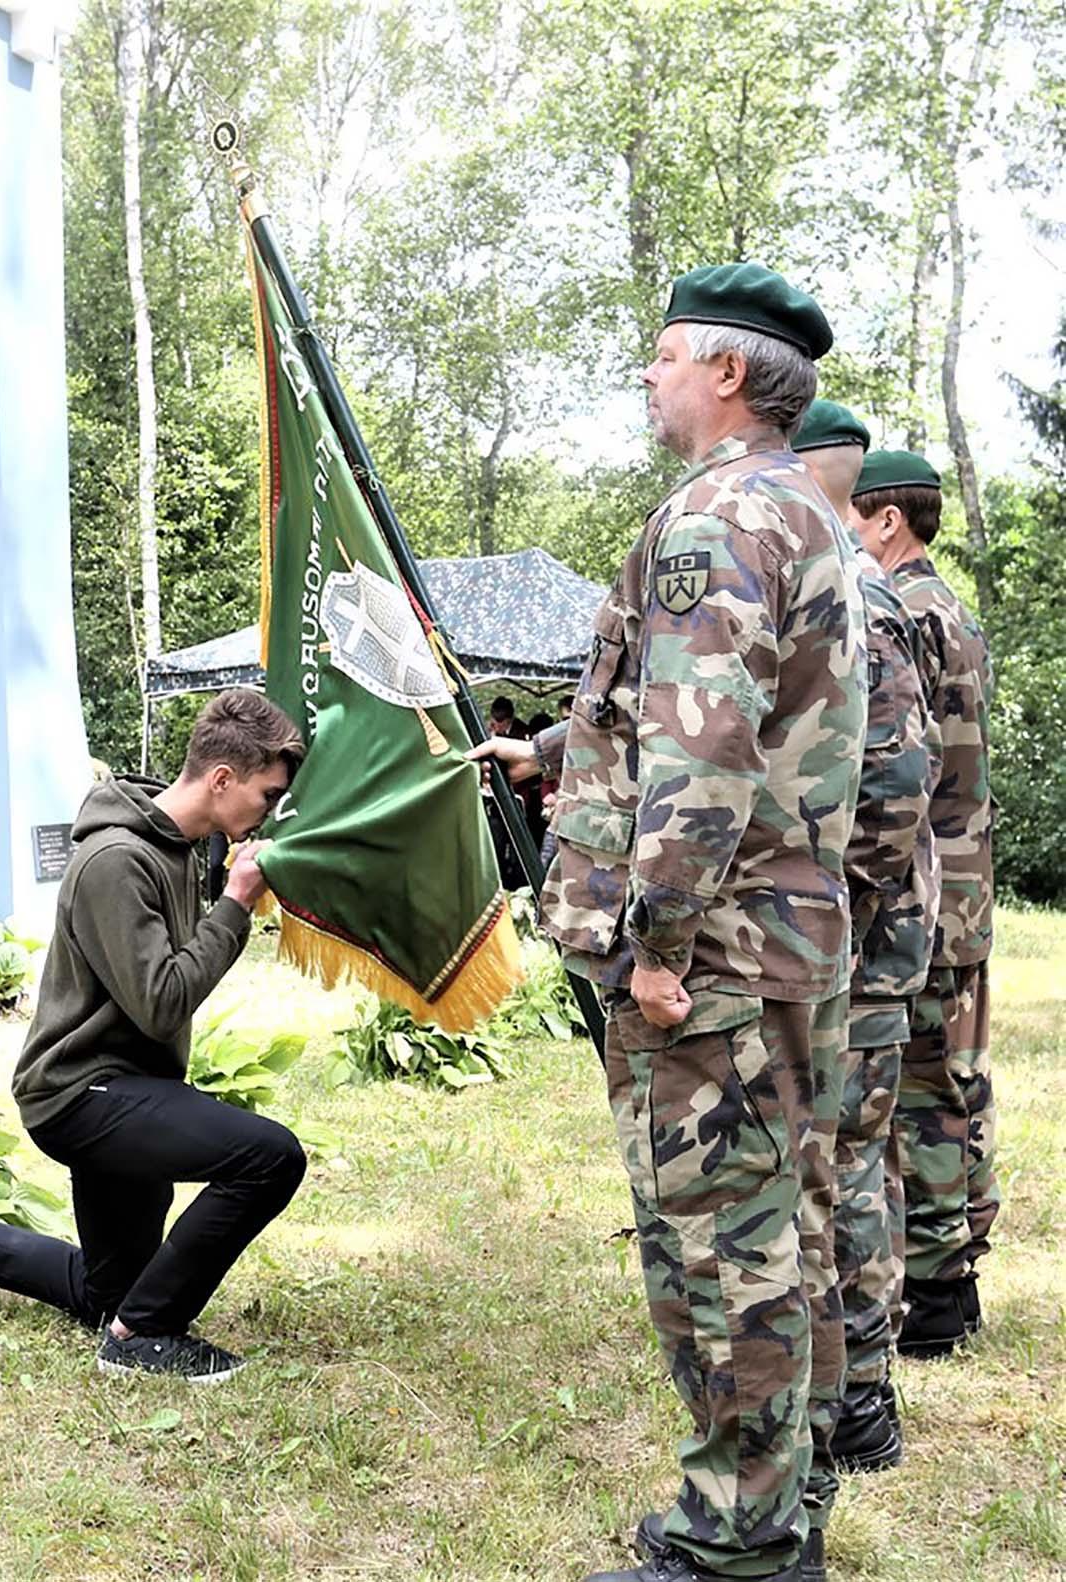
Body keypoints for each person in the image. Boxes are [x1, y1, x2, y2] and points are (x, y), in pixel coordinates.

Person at [473, 264, 865, 1582]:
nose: (646, 378)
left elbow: (703, 758)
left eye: (661, 358)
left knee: (718, 1245)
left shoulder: (719, 516)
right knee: (776, 1227)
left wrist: (655, 942)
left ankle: (737, 1538)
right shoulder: (796, 512)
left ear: (727, 374)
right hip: (777, 945)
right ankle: (785, 1504)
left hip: (713, 962)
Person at [0, 688, 309, 1385]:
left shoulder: (175, 847)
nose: (269, 811)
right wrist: (235, 904)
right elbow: (162, 1002)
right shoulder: (117, 859)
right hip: (81, 1095)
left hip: (128, 1085)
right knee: (271, 1159)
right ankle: (143, 1336)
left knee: (106, 1292)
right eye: (267, 795)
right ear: (222, 780)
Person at [793, 404, 939, 1473]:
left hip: (860, 947)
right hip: (843, 941)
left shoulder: (855, 589)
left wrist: (832, 912)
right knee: (841, 1164)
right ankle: (842, 1386)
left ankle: (859, 1403)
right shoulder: (822, 573)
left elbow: (892, 782)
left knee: (844, 1168)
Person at [847, 451, 997, 1358]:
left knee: (921, 1093)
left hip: (927, 896)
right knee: (956, 1081)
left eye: (856, 521)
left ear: (888, 522)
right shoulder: (957, 612)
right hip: (967, 889)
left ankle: (937, 1293)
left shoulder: (902, 611)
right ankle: (959, 1269)